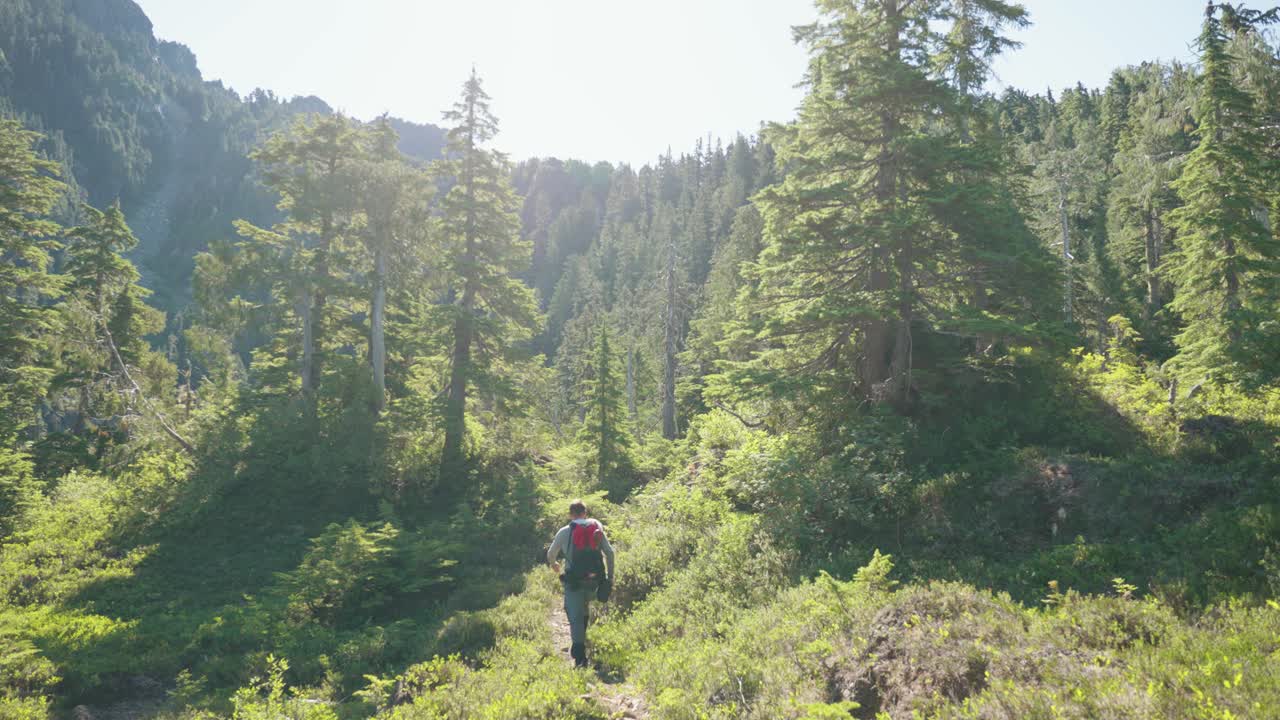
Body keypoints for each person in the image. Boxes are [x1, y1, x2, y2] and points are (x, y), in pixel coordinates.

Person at [547, 499, 615, 667]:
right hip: (594, 581)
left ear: (570, 515)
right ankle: (582, 641)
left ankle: (580, 657)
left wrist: (554, 564)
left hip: (574, 581)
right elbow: (610, 553)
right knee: (584, 609)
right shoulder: (596, 527)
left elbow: (551, 553)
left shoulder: (564, 532)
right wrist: (610, 578)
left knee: (575, 615)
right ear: (585, 513)